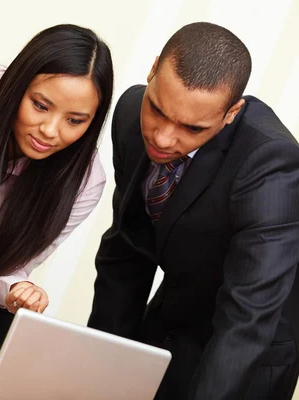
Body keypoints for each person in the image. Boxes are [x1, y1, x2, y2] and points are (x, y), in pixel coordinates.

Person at [88, 22, 299, 400]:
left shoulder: (271, 165)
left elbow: (247, 318)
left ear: (232, 112)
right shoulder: (130, 114)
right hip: (172, 318)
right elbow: (127, 252)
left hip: (247, 355)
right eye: (158, 110)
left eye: (192, 128)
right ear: (152, 71)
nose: (163, 137)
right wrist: (100, 374)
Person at [0, 24, 114, 384]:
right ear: (18, 85)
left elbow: (6, 268)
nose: (50, 130)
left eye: (75, 121)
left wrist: (18, 291)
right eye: (40, 106)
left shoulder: (84, 182)